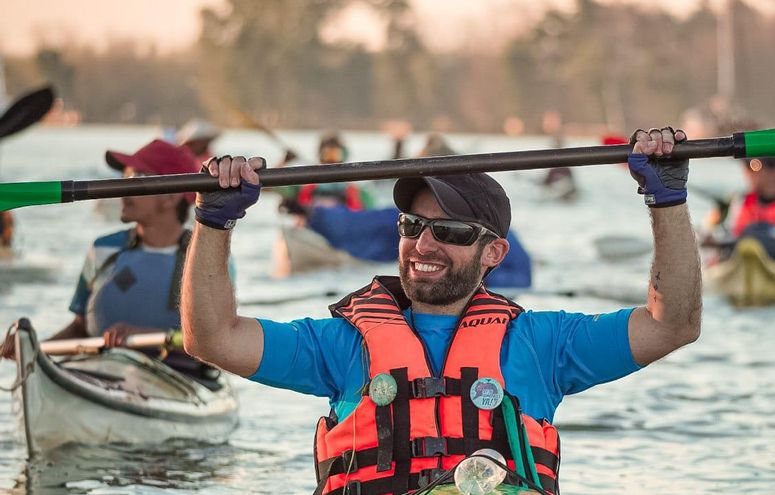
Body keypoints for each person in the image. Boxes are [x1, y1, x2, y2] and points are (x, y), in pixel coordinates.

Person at [181, 127, 701, 494]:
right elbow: (213, 339)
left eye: (450, 232)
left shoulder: (543, 344)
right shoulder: (341, 344)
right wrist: (213, 225)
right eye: (412, 226)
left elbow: (671, 323)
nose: (423, 245)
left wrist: (668, 202)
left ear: (494, 253)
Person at [1, 139, 218, 385]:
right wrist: (32, 349)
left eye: (136, 177)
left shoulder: (204, 255)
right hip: (98, 372)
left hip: (179, 380)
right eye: (123, 176)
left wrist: (141, 335)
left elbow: (219, 341)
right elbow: (80, 329)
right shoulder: (103, 248)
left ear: (170, 197)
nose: (122, 188)